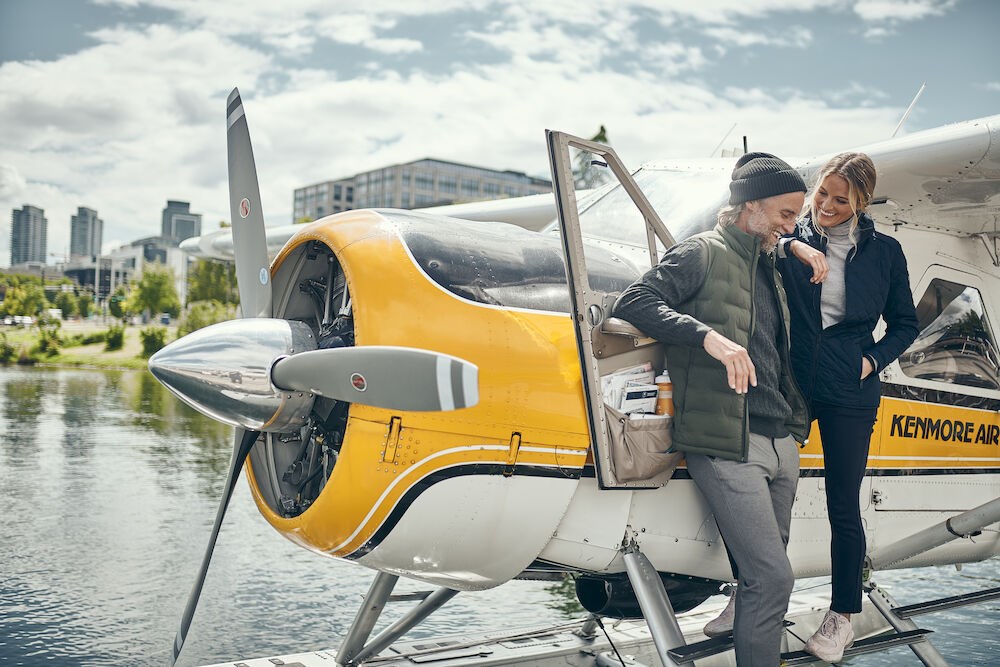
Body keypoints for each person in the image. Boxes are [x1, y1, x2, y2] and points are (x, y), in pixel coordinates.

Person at [612, 152, 810, 666]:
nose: (793, 226)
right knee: (772, 578)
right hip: (729, 445)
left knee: (759, 582)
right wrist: (709, 339)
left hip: (779, 442)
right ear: (751, 206)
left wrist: (793, 428)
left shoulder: (772, 266)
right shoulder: (700, 253)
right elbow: (634, 302)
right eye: (787, 215)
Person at [776, 152, 919, 662]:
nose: (828, 207)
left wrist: (871, 361)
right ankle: (755, 594)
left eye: (842, 200)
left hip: (850, 387)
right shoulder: (790, 239)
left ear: (861, 202)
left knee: (842, 503)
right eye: (823, 195)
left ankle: (841, 616)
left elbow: (906, 322)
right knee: (767, 491)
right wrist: (793, 242)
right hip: (791, 379)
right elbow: (750, 235)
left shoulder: (885, 253)